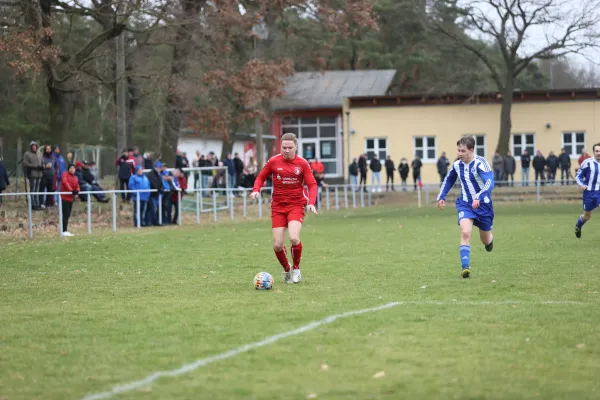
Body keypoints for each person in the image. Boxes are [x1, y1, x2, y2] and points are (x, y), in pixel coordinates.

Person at [250, 132, 318, 284]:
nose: (286, 150)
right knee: (278, 245)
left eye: (290, 147)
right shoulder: (273, 161)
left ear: (295, 147)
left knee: (294, 237)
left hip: (296, 205)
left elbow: (312, 184)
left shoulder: (302, 164)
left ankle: (296, 268)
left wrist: (311, 202)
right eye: (284, 147)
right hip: (278, 206)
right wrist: (256, 189)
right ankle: (287, 269)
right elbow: (261, 176)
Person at [436, 136, 495, 279]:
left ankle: (490, 241)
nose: (459, 153)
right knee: (465, 232)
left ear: (471, 150)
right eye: (458, 150)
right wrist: (441, 196)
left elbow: (490, 183)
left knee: (485, 240)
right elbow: (449, 179)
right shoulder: (457, 165)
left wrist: (479, 197)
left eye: (463, 151)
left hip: (483, 205)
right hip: (465, 204)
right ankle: (465, 268)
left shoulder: (481, 164)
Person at [574, 143, 600, 238]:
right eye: (597, 151)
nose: (598, 153)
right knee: (587, 216)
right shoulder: (587, 162)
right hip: (589, 193)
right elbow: (578, 176)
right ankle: (578, 226)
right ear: (593, 152)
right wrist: (581, 184)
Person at [59, 164, 80, 237]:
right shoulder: (65, 174)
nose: (72, 169)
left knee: (67, 214)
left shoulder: (75, 178)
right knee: (65, 214)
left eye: (73, 168)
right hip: (64, 197)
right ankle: (63, 230)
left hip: (70, 198)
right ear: (68, 169)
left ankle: (65, 230)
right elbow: (65, 183)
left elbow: (77, 186)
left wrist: (76, 191)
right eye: (70, 168)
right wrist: (72, 190)